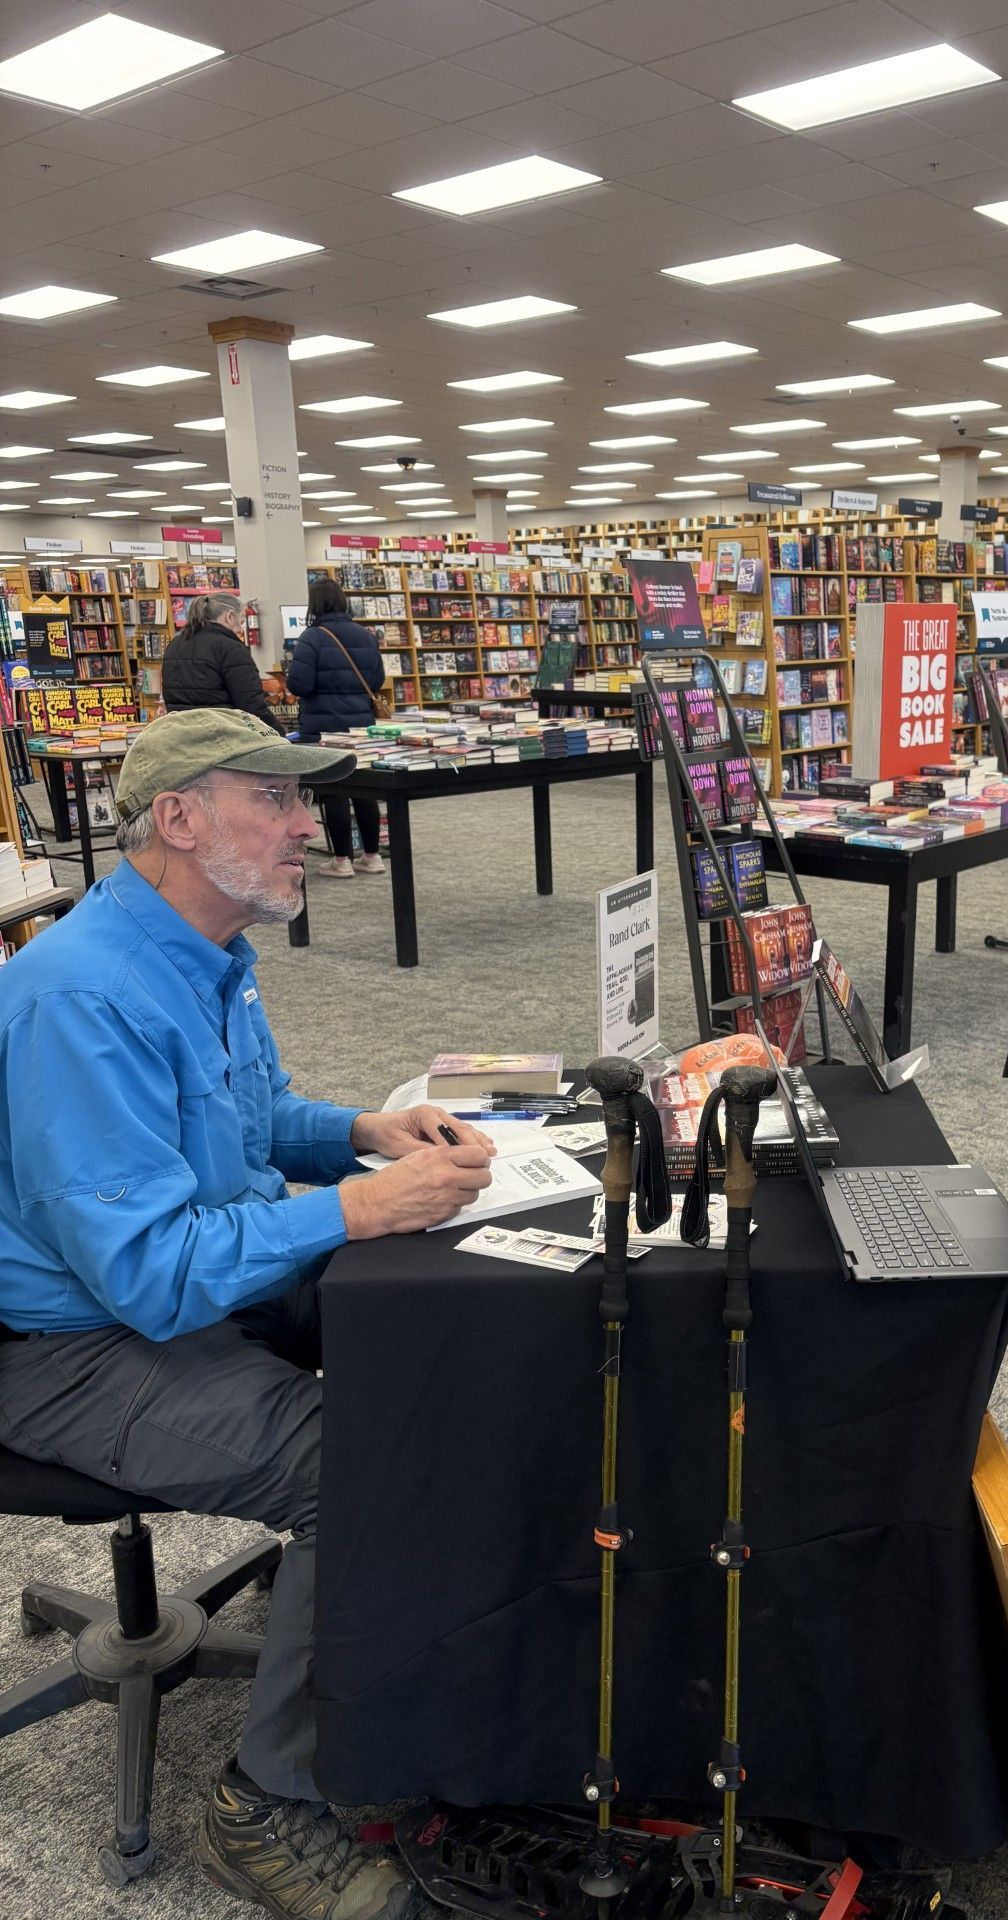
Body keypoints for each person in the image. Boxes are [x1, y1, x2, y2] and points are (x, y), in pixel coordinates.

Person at [0, 708, 494, 1920]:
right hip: (77, 1343)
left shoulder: (201, 951)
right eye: (273, 800)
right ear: (179, 820)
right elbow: (152, 1276)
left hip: (188, 1279)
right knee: (356, 1461)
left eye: (302, 802)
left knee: (455, 1322)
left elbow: (251, 1119)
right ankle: (267, 1806)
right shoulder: (81, 996)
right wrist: (360, 1211)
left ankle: (371, 1614)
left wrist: (359, 1135)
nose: (308, 827)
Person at [287, 581, 386, 879]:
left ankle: (342, 859)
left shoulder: (312, 638)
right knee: (365, 789)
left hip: (323, 725)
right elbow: (377, 680)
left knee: (334, 791)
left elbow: (299, 684)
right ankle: (372, 854)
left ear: (315, 604)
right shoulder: (366, 636)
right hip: (360, 724)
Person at [162, 592, 282, 733]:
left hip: (181, 733)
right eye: (241, 621)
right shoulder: (231, 648)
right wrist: (279, 734)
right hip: (223, 733)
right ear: (230, 616)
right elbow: (251, 705)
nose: (241, 629)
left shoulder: (175, 644)